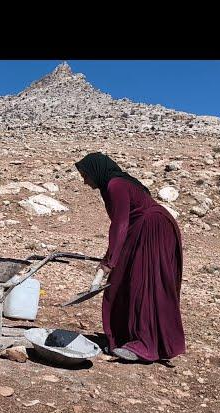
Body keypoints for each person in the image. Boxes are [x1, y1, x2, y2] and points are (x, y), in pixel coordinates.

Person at [74, 152, 185, 363]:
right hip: (143, 231)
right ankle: (129, 336)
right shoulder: (112, 187)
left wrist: (107, 263)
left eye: (85, 175)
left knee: (143, 284)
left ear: (96, 171)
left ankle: (145, 345)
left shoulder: (116, 185)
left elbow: (120, 224)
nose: (85, 181)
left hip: (153, 230)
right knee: (125, 280)